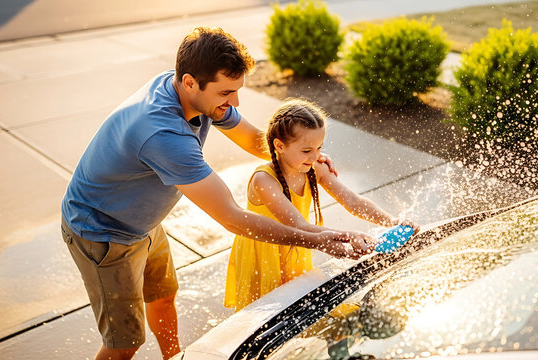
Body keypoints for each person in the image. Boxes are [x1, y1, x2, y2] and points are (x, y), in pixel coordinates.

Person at [60, 27, 374, 360]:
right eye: (226, 92)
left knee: (163, 297)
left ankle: (172, 357)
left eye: (237, 90)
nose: (234, 102)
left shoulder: (186, 88)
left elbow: (255, 140)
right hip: (103, 233)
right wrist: (318, 239)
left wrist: (297, 155)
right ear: (191, 82)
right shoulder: (163, 134)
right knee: (124, 342)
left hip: (145, 222)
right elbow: (233, 218)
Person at [224, 98, 419, 311]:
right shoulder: (264, 180)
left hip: (299, 246)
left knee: (300, 310)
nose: (316, 156)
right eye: (307, 150)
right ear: (279, 146)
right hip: (264, 255)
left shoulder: (314, 167)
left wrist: (390, 220)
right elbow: (297, 225)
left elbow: (353, 201)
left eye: (319, 147)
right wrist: (349, 236)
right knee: (268, 317)